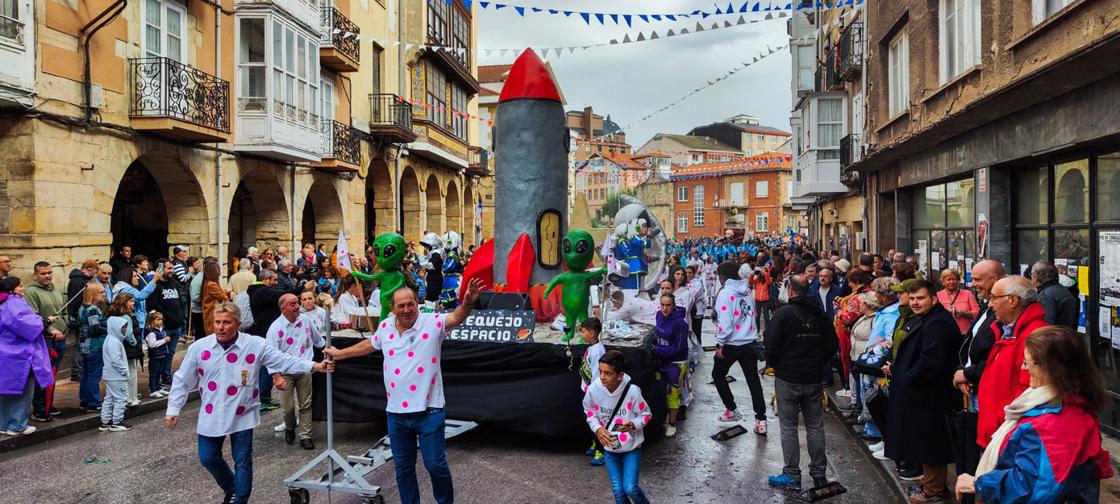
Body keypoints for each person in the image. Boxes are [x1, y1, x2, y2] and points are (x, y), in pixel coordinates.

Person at [324, 279, 484, 504]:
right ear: (393, 308)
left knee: (435, 465)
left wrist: (467, 303)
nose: (407, 309)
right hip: (396, 414)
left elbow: (456, 317)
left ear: (417, 303)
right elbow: (370, 345)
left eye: (411, 304)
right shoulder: (386, 327)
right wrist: (340, 354)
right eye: (401, 306)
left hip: (429, 411)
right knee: (403, 468)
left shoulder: (432, 322)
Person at [165, 302, 334, 504]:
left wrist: (314, 365)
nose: (220, 327)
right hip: (212, 413)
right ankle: (232, 488)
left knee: (243, 460)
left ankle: (240, 499)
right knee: (207, 457)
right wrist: (173, 408)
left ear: (237, 323)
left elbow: (284, 360)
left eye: (226, 322)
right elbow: (183, 379)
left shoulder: (255, 345)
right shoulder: (199, 348)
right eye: (217, 322)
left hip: (242, 413)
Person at [955, 326, 1113, 503]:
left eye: (1027, 362)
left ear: (1050, 368)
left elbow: (1032, 487)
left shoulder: (1054, 425)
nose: (1023, 368)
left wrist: (979, 484)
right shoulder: (1067, 404)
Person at [883, 279, 961, 503]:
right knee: (925, 443)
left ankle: (932, 492)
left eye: (921, 298)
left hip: (931, 397)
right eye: (913, 298)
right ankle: (932, 487)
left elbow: (930, 363)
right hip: (922, 395)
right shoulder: (927, 318)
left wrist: (907, 379)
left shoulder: (938, 323)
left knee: (932, 444)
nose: (916, 303)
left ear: (934, 299)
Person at [765, 274, 838, 491]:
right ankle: (819, 474)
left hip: (789, 377)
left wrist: (777, 364)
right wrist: (819, 362)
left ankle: (792, 475)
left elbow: (770, 346)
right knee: (815, 426)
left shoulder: (784, 313)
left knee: (788, 427)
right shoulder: (820, 314)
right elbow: (832, 344)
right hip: (813, 377)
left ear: (790, 291)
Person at [977, 275, 1048, 449]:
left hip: (1009, 437)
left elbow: (1028, 392)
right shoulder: (1009, 331)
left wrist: (1006, 429)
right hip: (1000, 432)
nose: (989, 303)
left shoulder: (1033, 336)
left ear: (1013, 300)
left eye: (994, 297)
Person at [583, 350, 652, 504]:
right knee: (618, 492)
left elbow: (646, 414)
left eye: (608, 373)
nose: (602, 377)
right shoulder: (594, 390)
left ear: (620, 375)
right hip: (609, 449)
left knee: (630, 488)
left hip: (631, 449)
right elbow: (589, 411)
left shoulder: (632, 392)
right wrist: (598, 429)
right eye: (600, 372)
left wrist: (634, 424)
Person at [711, 261, 767, 434]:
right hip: (749, 343)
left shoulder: (725, 293)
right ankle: (761, 420)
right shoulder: (747, 290)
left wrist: (720, 343)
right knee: (753, 380)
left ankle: (731, 409)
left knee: (717, 375)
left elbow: (725, 324)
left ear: (723, 277)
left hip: (731, 343)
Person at [247, 269, 315, 412]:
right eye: (274, 280)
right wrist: (303, 288)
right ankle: (264, 399)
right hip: (265, 332)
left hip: (260, 331)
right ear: (266, 280)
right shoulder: (263, 291)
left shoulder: (256, 290)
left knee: (262, 366)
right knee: (267, 367)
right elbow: (282, 295)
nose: (276, 283)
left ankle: (261, 398)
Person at [266, 294, 325, 450]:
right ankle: (290, 427)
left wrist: (327, 351)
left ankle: (305, 436)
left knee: (306, 405)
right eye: (293, 304)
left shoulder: (305, 321)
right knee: (288, 407)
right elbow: (269, 355)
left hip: (305, 370)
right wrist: (276, 376)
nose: (297, 306)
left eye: (297, 303)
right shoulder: (275, 328)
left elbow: (319, 340)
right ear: (283, 308)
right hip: (285, 372)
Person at [0, 277, 50, 436]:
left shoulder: (3, 303)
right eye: (21, 286)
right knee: (22, 391)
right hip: (20, 355)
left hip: (6, 354)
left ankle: (3, 424)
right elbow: (28, 326)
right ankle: (17, 425)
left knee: (5, 391)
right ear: (11, 289)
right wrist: (45, 322)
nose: (23, 289)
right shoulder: (14, 303)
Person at [23, 261, 67, 423]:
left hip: (60, 338)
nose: (47, 276)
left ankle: (49, 403)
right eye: (43, 273)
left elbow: (64, 311)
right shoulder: (31, 292)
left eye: (49, 272)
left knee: (53, 375)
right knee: (43, 374)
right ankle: (39, 407)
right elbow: (34, 317)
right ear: (35, 275)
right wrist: (51, 330)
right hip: (45, 340)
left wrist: (65, 327)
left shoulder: (55, 289)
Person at [114, 266, 162, 406]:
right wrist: (154, 281)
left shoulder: (123, 288)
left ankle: (131, 393)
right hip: (132, 334)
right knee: (130, 367)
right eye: (134, 276)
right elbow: (141, 295)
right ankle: (130, 396)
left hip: (137, 327)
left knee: (132, 366)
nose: (137, 278)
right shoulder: (125, 289)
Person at [652, 293, 689, 438]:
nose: (665, 308)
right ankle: (664, 416)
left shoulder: (681, 324)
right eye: (663, 305)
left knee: (673, 393)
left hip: (676, 363)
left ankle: (672, 423)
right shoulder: (658, 316)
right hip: (661, 360)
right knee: (661, 390)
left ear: (673, 306)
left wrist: (656, 350)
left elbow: (678, 348)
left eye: (668, 305)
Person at [148, 259, 186, 388]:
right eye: (169, 268)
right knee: (161, 354)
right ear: (161, 269)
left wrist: (181, 318)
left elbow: (181, 302)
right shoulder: (155, 286)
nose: (172, 271)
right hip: (164, 326)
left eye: (172, 268)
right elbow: (154, 305)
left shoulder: (174, 283)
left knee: (170, 353)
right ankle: (156, 382)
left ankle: (167, 377)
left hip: (177, 325)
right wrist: (165, 319)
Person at [102, 293, 137, 431]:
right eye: (122, 327)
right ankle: (117, 422)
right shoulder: (114, 342)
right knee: (121, 398)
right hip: (117, 375)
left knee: (109, 398)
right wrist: (124, 372)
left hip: (110, 375)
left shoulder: (110, 339)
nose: (124, 330)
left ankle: (105, 422)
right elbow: (116, 360)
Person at [578, 317, 607, 466]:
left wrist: (591, 392)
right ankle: (595, 444)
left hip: (594, 393)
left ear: (592, 333)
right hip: (588, 390)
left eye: (583, 332)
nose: (581, 334)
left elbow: (596, 374)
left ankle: (600, 451)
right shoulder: (591, 347)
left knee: (596, 421)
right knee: (590, 421)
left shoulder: (598, 351)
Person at [77, 282, 109, 413]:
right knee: (94, 375)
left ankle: (85, 400)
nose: (104, 294)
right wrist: (109, 329)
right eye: (101, 292)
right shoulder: (93, 309)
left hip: (85, 345)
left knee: (86, 374)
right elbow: (95, 327)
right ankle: (93, 402)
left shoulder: (83, 308)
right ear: (93, 295)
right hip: (94, 346)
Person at [65, 259, 97, 381]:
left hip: (81, 315)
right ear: (89, 268)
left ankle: (80, 369)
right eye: (95, 269)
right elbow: (76, 300)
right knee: (81, 344)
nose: (96, 272)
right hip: (81, 316)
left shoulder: (82, 280)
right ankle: (77, 371)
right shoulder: (78, 281)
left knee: (83, 343)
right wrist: (76, 316)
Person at [1030, 262, 1078, 331]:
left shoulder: (1046, 296)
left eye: (1032, 275)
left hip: (1053, 338)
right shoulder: (1063, 291)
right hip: (1066, 335)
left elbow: (1046, 325)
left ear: (1035, 278)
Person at [936, 269, 979, 335]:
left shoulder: (967, 294)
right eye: (948, 279)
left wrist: (963, 313)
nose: (952, 282)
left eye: (954, 279)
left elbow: (977, 313)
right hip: (944, 333)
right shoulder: (937, 296)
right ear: (943, 282)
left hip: (964, 333)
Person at [144, 311, 172, 399]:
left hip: (162, 355)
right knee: (154, 373)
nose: (160, 322)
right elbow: (152, 345)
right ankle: (153, 390)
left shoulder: (160, 330)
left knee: (159, 372)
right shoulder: (151, 332)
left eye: (161, 320)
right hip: (155, 356)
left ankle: (158, 387)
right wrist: (164, 340)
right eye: (158, 320)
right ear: (151, 321)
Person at [201, 262, 230, 337]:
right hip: (212, 314)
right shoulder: (212, 285)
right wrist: (229, 294)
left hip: (211, 314)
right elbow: (224, 298)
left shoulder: (208, 283)